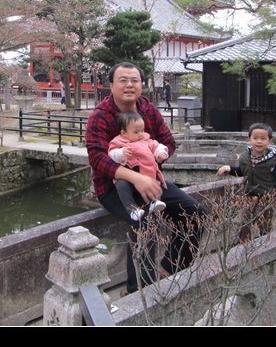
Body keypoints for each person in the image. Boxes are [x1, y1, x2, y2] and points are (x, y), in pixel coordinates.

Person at [86, 61, 207, 294]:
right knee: (145, 221)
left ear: (142, 84)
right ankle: (139, 292)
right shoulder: (100, 116)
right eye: (123, 80)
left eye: (135, 80)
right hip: (114, 187)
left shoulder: (147, 109)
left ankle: (171, 267)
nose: (129, 85)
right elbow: (97, 159)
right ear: (111, 85)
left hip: (151, 179)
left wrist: (152, 158)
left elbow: (169, 141)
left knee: (195, 212)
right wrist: (134, 176)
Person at [216, 122, 276, 241]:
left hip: (267, 196)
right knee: (246, 220)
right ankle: (243, 243)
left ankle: (265, 241)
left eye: (263, 139)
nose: (259, 141)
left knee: (264, 221)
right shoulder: (245, 157)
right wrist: (229, 169)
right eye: (255, 138)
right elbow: (242, 172)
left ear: (269, 141)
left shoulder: (274, 160)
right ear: (249, 139)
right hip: (249, 194)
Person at [108, 111, 168, 221]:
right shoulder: (119, 142)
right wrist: (121, 153)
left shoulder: (146, 140)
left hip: (146, 173)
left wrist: (161, 152)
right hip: (129, 177)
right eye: (136, 132)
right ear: (124, 133)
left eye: (142, 130)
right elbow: (111, 154)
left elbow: (156, 145)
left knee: (155, 181)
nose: (140, 134)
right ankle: (132, 210)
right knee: (121, 185)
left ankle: (155, 201)